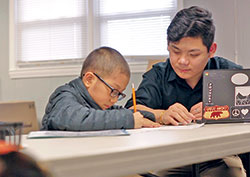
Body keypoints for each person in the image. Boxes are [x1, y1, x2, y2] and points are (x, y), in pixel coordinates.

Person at [125, 6, 246, 177]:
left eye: (193, 54)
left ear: (211, 50)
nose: (182, 61)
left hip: (219, 156)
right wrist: (162, 115)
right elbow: (132, 110)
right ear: (168, 45)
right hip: (172, 157)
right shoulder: (158, 74)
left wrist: (218, 110)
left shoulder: (229, 73)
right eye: (175, 51)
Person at [42, 46, 160, 131]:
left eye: (119, 94)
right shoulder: (64, 95)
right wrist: (130, 120)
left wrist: (152, 117)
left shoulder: (97, 104)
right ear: (89, 80)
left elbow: (120, 112)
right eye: (113, 91)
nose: (114, 100)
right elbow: (78, 119)